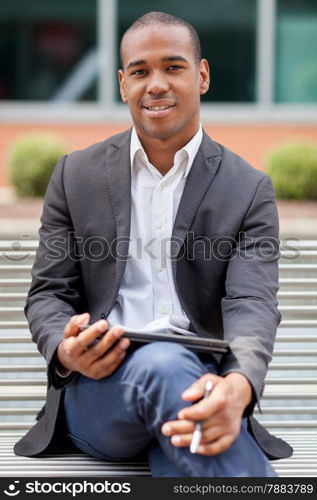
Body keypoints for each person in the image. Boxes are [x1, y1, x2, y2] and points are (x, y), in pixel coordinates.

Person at [14, 12, 292, 476]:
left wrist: (240, 383)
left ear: (201, 75)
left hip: (201, 382)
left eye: (174, 67)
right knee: (164, 365)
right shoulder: (74, 176)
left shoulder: (248, 188)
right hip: (100, 388)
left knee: (179, 431)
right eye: (140, 72)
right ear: (123, 85)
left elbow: (252, 302)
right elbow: (49, 294)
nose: (156, 84)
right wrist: (66, 350)